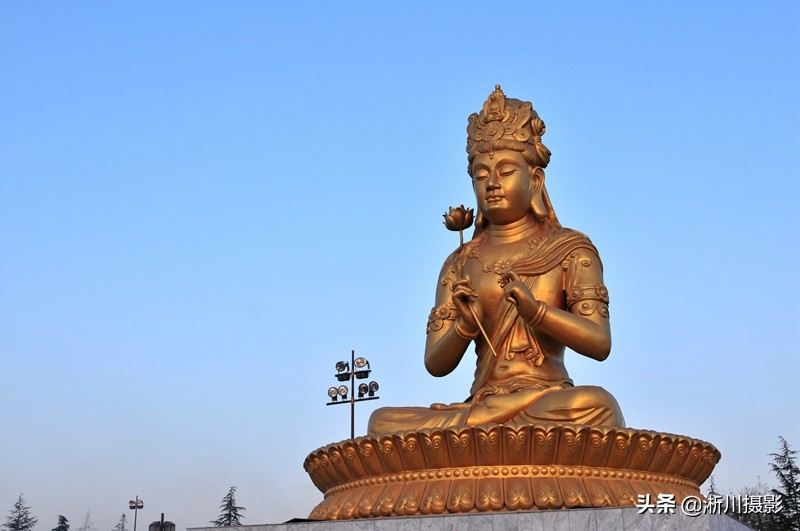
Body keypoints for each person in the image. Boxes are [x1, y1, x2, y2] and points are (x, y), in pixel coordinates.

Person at [367, 86, 624, 435]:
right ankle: (488, 424)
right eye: (480, 174)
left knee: (597, 405)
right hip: (481, 401)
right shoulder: (460, 262)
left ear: (534, 180)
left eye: (505, 171)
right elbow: (435, 364)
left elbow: (599, 342)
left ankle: (485, 428)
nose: (491, 184)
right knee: (382, 422)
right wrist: (465, 327)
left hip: (546, 401)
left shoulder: (570, 251)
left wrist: (537, 313)